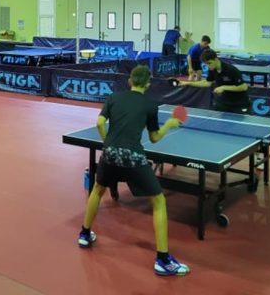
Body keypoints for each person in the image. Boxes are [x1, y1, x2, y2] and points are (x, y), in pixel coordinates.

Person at [78, 65, 189, 277]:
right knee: (158, 200)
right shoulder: (150, 105)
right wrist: (169, 124)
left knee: (98, 189)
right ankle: (163, 259)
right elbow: (154, 138)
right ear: (147, 84)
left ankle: (84, 234)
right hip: (133, 156)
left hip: (110, 153)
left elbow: (100, 123)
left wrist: (108, 143)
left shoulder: (114, 97)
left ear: (130, 81)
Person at [180, 48, 249, 113]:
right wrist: (188, 83)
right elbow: (207, 83)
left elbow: (244, 87)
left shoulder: (231, 70)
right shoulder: (212, 69)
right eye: (206, 64)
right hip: (225, 102)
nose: (208, 66)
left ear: (216, 59)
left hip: (239, 103)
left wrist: (224, 87)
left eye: (209, 63)